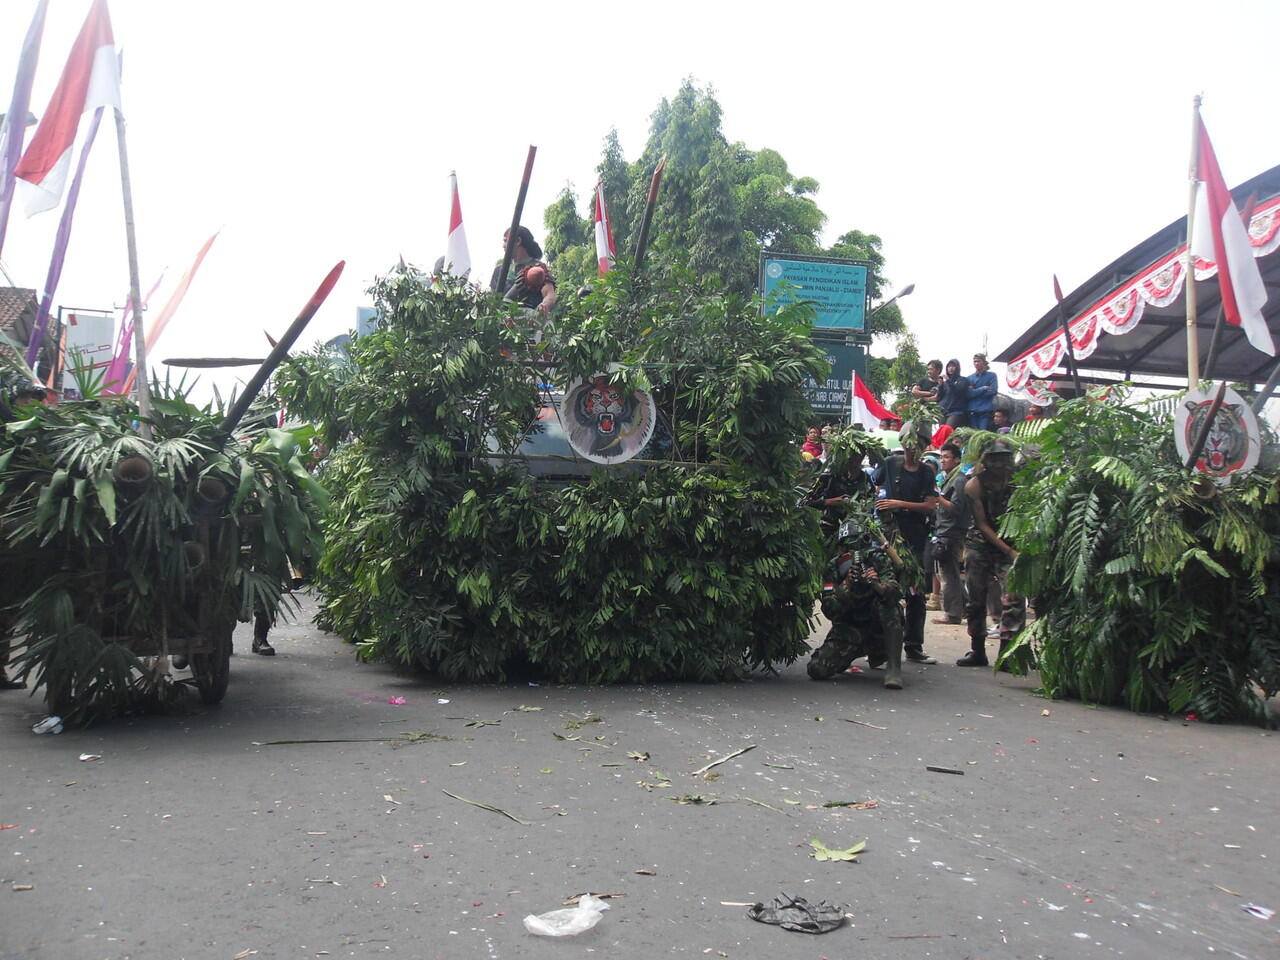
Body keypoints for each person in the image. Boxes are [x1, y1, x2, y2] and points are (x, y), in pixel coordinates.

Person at [872, 421, 940, 664]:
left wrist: (899, 504)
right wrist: (882, 507)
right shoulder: (891, 464)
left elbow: (931, 506)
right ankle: (879, 647)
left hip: (915, 538)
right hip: (889, 537)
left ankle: (913, 646)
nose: (912, 449)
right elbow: (876, 487)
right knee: (883, 589)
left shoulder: (926, 472)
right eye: (909, 445)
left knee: (915, 592)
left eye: (917, 445)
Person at [956, 439, 1027, 666]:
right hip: (981, 543)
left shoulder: (1018, 483)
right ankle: (977, 650)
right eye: (994, 459)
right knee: (976, 598)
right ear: (985, 461)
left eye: (1003, 459)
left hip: (1011, 541)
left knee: (1014, 598)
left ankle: (1007, 654)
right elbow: (982, 524)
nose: (999, 464)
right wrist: (1009, 550)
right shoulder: (974, 485)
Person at [929, 442, 967, 625]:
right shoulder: (948, 478)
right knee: (949, 571)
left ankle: (952, 613)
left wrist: (938, 499)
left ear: (957, 460)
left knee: (948, 574)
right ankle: (966, 606)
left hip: (951, 531)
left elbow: (957, 509)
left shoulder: (959, 480)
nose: (942, 460)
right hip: (944, 529)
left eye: (946, 457)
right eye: (941, 457)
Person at [489, 225, 557, 316]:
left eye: (505, 240)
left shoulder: (538, 267)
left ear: (518, 241)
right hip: (503, 324)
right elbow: (492, 301)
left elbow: (549, 295)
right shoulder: (499, 270)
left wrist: (543, 306)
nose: (503, 246)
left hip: (530, 322)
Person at [966, 353, 998, 431]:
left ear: (984, 362)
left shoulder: (992, 375)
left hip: (985, 411)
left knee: (982, 434)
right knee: (973, 435)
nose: (976, 363)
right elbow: (968, 394)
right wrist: (982, 389)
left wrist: (974, 391)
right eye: (975, 361)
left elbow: (993, 391)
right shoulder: (969, 378)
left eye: (978, 361)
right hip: (972, 411)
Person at [938, 359, 968, 428]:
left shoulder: (963, 380)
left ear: (957, 368)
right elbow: (940, 396)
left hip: (956, 411)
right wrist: (940, 385)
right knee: (941, 432)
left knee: (947, 430)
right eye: (949, 366)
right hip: (943, 411)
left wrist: (948, 380)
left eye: (953, 366)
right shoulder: (945, 383)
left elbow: (958, 391)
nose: (950, 368)